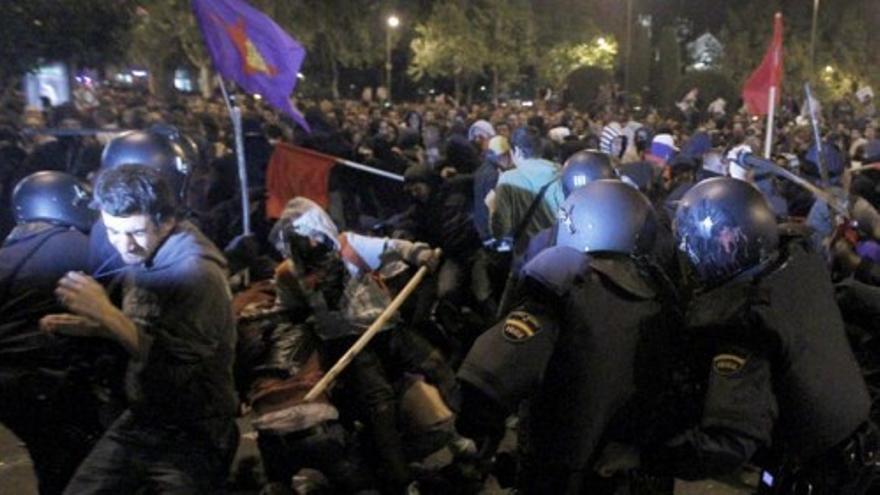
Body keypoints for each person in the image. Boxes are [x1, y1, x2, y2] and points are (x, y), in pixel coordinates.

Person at [597, 177, 878, 494]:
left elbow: (729, 442)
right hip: (857, 443)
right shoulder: (798, 266)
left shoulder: (744, 324)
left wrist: (639, 455)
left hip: (822, 472)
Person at [457, 180, 675, 494]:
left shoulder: (566, 283)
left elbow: (485, 386)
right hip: (631, 473)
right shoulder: (663, 298)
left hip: (557, 472)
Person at [41, 165, 239, 494]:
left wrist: (107, 313)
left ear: (166, 220)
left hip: (194, 430)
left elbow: (175, 364)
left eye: (135, 232)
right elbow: (144, 330)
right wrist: (93, 326)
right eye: (113, 231)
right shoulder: (146, 251)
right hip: (144, 417)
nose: (124, 245)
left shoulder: (196, 272)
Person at [269, 197, 459, 493]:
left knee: (437, 366)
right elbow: (288, 312)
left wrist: (418, 253)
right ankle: (401, 481)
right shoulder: (290, 273)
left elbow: (390, 248)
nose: (308, 242)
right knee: (379, 406)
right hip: (348, 345)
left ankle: (464, 438)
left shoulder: (349, 246)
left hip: (386, 329)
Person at [0, 172, 116, 495]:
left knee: (51, 463)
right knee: (77, 470)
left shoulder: (10, 250)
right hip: (53, 380)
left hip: (14, 387)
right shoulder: (77, 245)